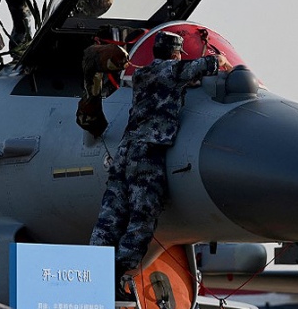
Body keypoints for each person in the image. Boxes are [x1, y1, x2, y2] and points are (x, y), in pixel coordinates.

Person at [89, 31, 231, 291]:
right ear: (176, 53)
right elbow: (213, 63)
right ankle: (116, 275)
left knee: (111, 213)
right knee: (143, 215)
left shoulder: (143, 74)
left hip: (125, 151)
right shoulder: (175, 71)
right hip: (148, 152)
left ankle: (93, 266)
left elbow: (171, 82)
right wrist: (222, 62)